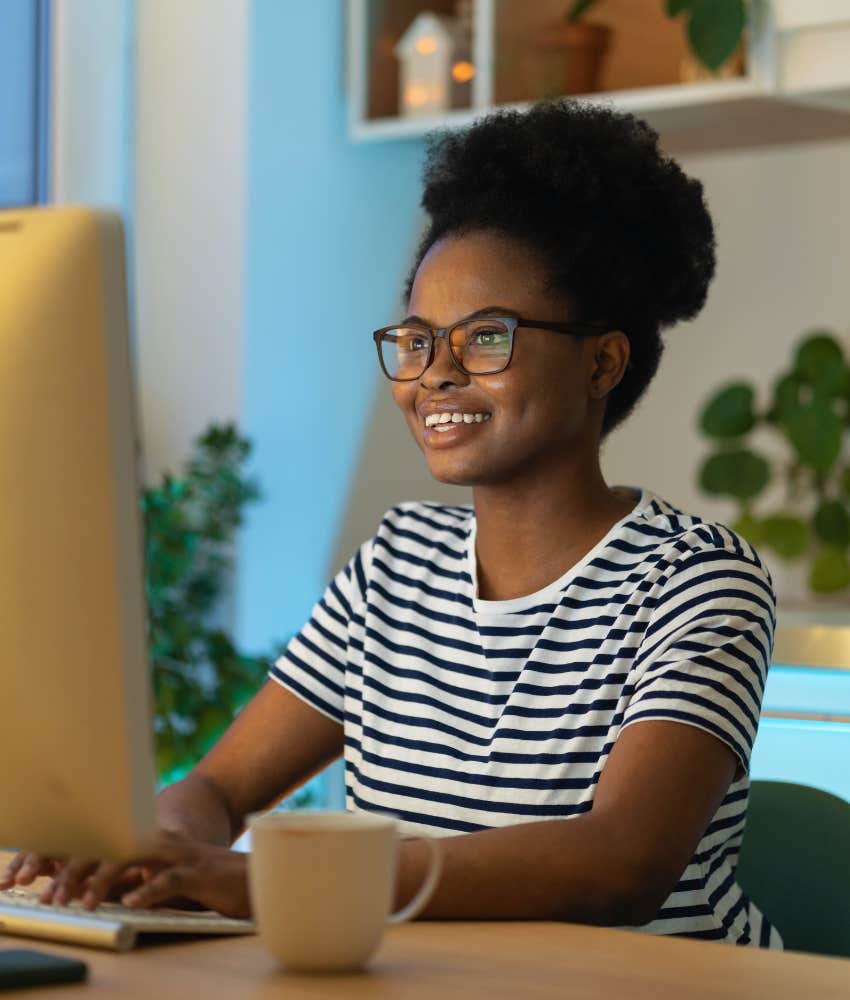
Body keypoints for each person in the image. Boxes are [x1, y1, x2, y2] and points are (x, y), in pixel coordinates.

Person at [2, 100, 781, 947]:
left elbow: (621, 864)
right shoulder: (399, 563)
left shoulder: (699, 582)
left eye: (486, 339)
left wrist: (275, 881)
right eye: (415, 341)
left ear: (602, 360)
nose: (433, 375)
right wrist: (162, 852)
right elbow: (219, 791)